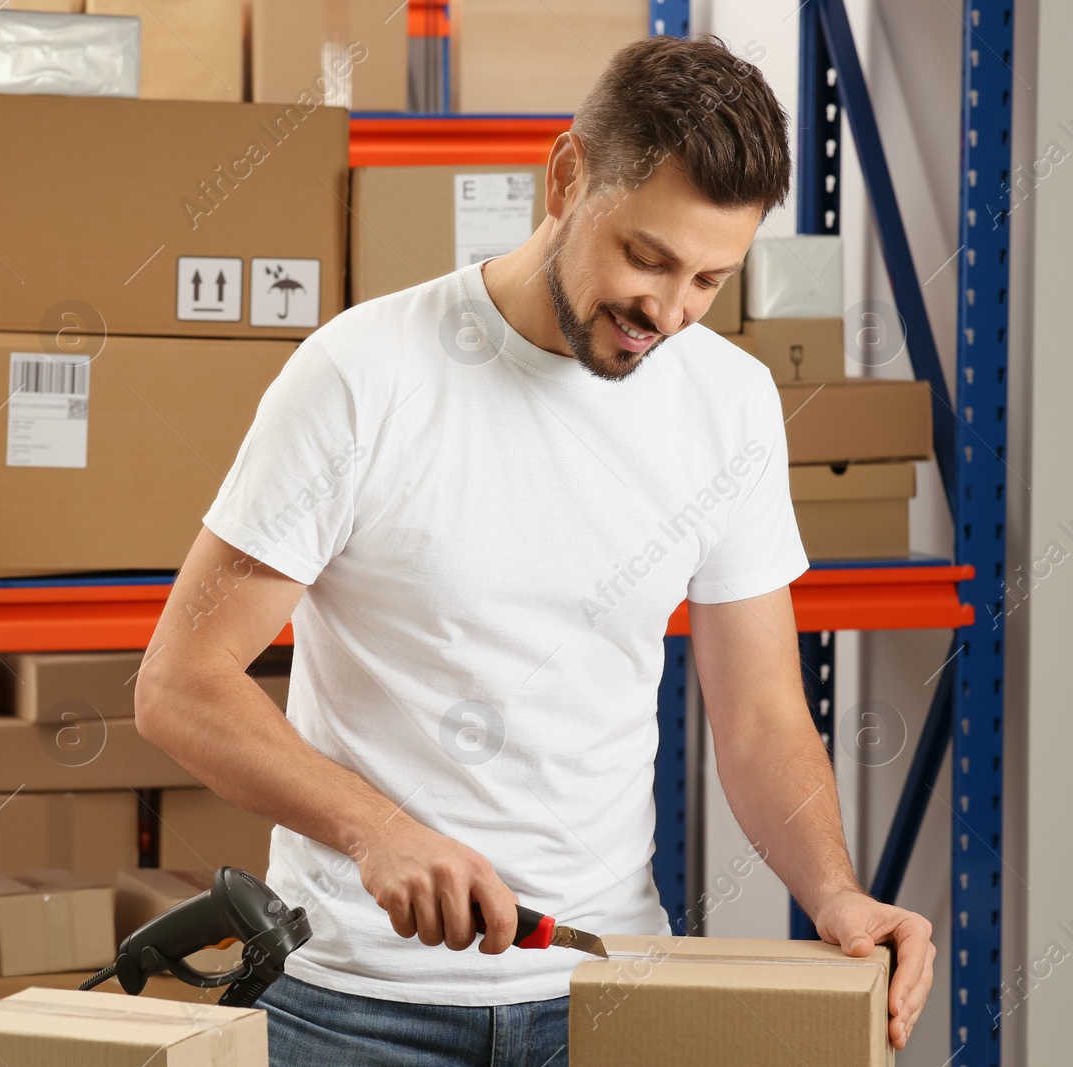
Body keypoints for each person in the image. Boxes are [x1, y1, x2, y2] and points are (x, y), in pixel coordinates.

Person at [134, 34, 936, 1067]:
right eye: (645, 256)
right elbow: (180, 681)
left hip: (605, 985)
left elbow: (762, 713)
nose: (668, 309)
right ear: (565, 175)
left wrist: (833, 889)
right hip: (354, 1002)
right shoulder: (361, 375)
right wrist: (377, 828)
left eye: (708, 277)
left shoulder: (727, 401)